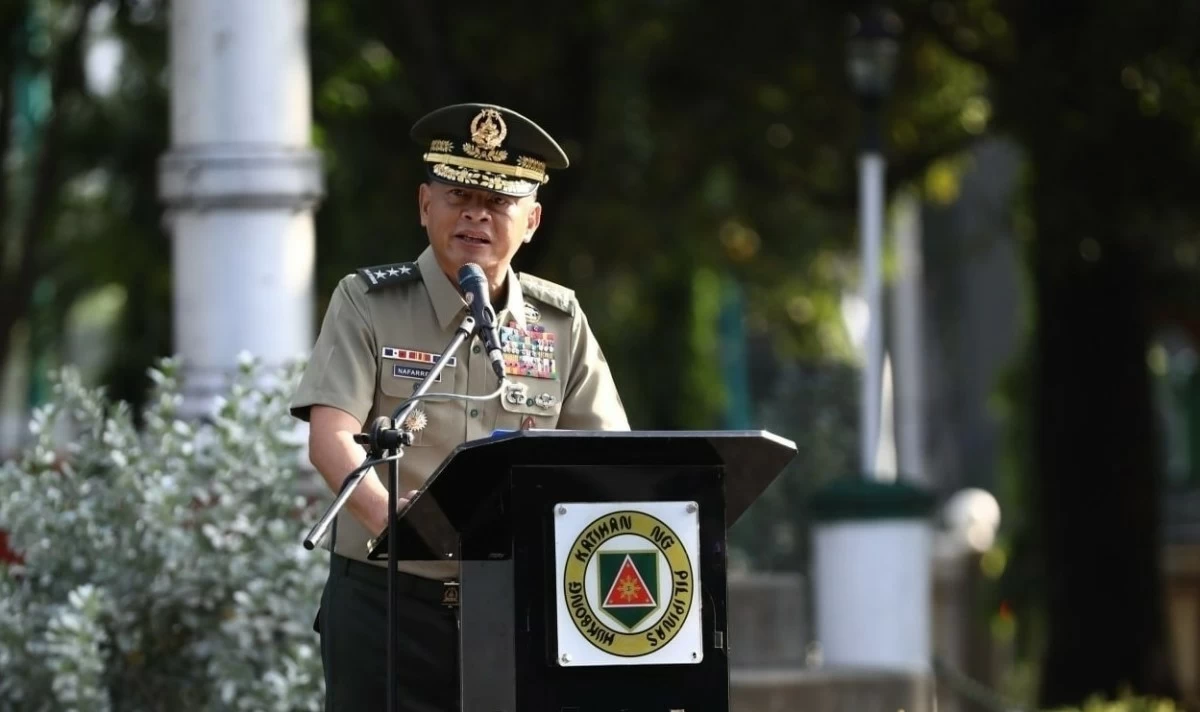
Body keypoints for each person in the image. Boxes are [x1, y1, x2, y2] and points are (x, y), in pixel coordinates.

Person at [289, 103, 629, 711]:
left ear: (532, 221)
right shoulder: (369, 303)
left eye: (498, 202)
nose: (476, 213)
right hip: (387, 603)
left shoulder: (559, 321)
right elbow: (330, 438)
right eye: (458, 195)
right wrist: (395, 520)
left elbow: (607, 460)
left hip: (514, 604)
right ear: (425, 205)